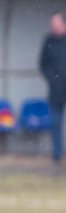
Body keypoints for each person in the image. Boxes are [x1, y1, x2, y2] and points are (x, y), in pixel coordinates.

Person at [38, 13, 66, 164]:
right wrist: (53, 80)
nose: (54, 27)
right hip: (56, 89)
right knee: (55, 122)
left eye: (57, 24)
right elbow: (43, 64)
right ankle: (57, 154)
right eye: (52, 25)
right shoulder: (49, 41)